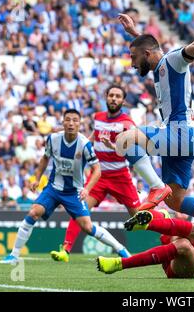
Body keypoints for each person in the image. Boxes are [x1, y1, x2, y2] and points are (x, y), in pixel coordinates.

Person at [116, 5, 194, 251]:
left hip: (179, 132)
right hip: (181, 139)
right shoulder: (161, 65)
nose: (132, 64)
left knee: (125, 139)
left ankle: (155, 189)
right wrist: (135, 33)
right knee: (176, 201)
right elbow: (151, 48)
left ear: (145, 53)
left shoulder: (174, 60)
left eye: (134, 57)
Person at [0, 109, 129, 264]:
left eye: (75, 120)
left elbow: (97, 170)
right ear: (63, 122)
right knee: (34, 212)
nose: (71, 123)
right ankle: (14, 255)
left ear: (79, 124)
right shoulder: (53, 139)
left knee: (88, 227)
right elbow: (44, 159)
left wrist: (87, 189)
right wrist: (36, 178)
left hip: (73, 192)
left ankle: (121, 250)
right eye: (68, 120)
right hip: (53, 188)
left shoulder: (84, 144)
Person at [50, 85, 141, 262]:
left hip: (120, 176)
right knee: (79, 209)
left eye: (118, 96)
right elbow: (91, 139)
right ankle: (66, 250)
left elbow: (131, 147)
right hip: (99, 176)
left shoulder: (126, 123)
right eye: (111, 95)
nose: (114, 99)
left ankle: (168, 242)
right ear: (106, 97)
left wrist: (113, 147)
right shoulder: (98, 118)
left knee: (141, 218)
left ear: (123, 101)